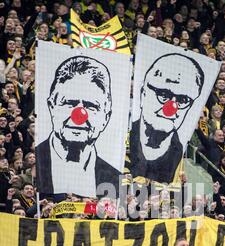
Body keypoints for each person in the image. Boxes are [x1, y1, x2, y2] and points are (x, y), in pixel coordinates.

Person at [36, 56, 121, 197]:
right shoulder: (36, 163)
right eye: (69, 103)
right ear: (52, 107)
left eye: (91, 106)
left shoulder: (114, 179)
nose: (80, 115)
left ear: (106, 117)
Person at [129, 53, 204, 183]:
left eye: (182, 100)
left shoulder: (179, 155)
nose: (171, 107)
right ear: (143, 93)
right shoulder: (124, 140)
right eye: (163, 94)